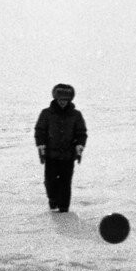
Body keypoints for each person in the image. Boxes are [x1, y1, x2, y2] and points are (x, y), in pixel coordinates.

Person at [34, 83, 87, 212]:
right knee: (50, 181)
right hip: (51, 155)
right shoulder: (46, 114)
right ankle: (53, 199)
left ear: (69, 100)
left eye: (65, 100)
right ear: (56, 99)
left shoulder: (76, 115)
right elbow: (39, 131)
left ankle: (64, 207)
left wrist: (80, 145)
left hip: (68, 155)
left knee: (65, 182)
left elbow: (81, 133)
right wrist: (41, 144)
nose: (63, 102)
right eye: (60, 100)